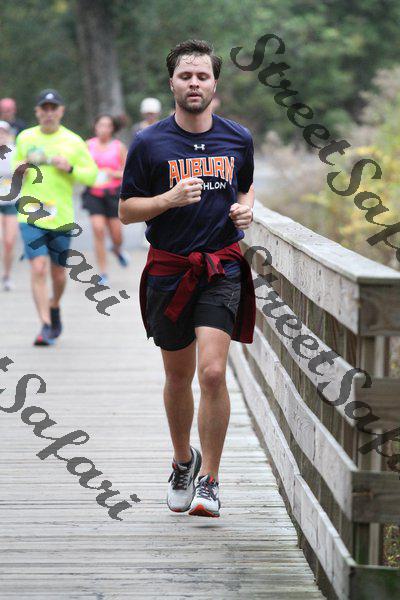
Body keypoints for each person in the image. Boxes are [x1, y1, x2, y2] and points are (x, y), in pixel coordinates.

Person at [119, 40, 255, 518]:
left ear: (214, 83)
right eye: (185, 76)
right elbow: (126, 211)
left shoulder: (238, 138)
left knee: (213, 372)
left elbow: (245, 185)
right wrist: (167, 200)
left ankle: (210, 481)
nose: (194, 83)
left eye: (202, 76)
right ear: (172, 83)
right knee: (178, 377)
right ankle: (183, 461)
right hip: (170, 269)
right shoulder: (149, 143)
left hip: (220, 266)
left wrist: (246, 210)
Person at [13, 88, 98, 346]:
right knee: (38, 267)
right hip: (31, 215)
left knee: (58, 274)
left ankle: (54, 305)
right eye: (44, 108)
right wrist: (21, 169)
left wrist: (69, 167)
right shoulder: (25, 137)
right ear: (37, 111)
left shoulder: (74, 141)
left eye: (53, 108)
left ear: (61, 111)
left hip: (61, 217)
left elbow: (91, 176)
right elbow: (14, 170)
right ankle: (46, 325)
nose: (48, 113)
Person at [83, 114, 129, 285]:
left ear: (112, 128)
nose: (103, 129)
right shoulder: (87, 145)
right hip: (93, 193)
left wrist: (113, 173)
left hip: (113, 193)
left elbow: (128, 172)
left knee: (117, 234)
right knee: (98, 230)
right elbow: (80, 166)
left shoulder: (119, 147)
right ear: (95, 127)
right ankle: (103, 272)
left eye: (107, 125)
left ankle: (117, 249)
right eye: (100, 125)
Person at [0, 120, 18, 290]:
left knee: (9, 241)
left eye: (3, 132)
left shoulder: (16, 152)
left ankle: (7, 275)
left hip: (12, 202)